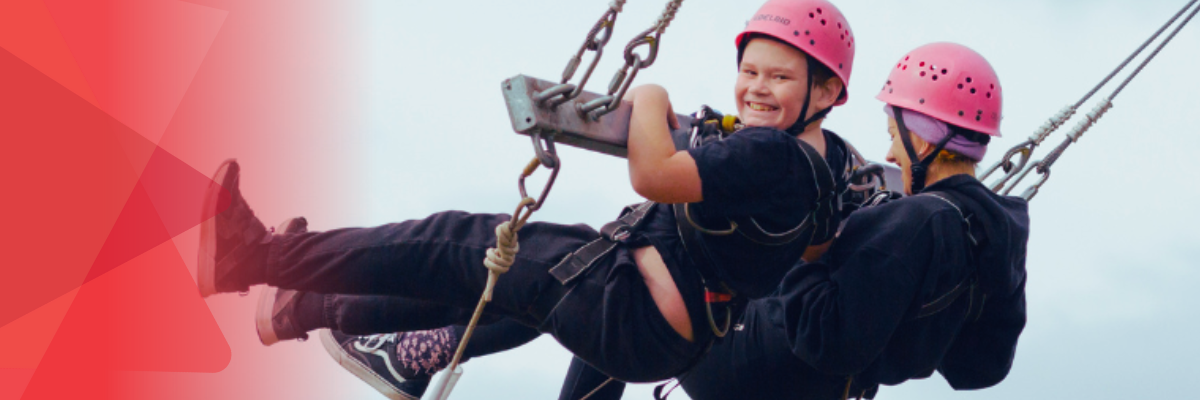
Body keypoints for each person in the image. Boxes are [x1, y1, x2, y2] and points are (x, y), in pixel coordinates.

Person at [198, 0, 855, 384]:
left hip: (626, 305)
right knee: (471, 276)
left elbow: (651, 172)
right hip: (646, 318)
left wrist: (652, 98)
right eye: (749, 71)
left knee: (452, 243)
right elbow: (814, 243)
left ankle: (254, 259)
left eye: (779, 78)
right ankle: (297, 307)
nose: (756, 89)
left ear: (825, 93)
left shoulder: (770, 153)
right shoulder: (828, 172)